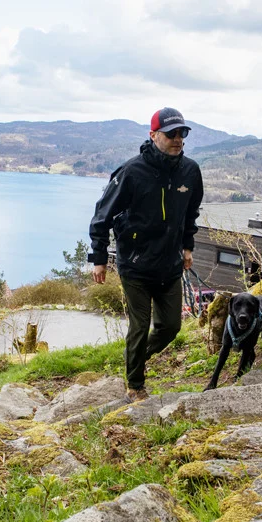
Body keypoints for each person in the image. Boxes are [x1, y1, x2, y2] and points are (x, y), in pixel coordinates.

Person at [88, 107, 204, 401]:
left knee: (170, 327)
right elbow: (102, 215)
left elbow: (190, 213)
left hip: (169, 264)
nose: (177, 139)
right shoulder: (132, 172)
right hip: (136, 264)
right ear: (153, 135)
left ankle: (134, 358)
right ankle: (135, 385)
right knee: (139, 326)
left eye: (182, 133)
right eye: (171, 133)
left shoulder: (190, 171)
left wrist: (187, 246)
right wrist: (99, 258)